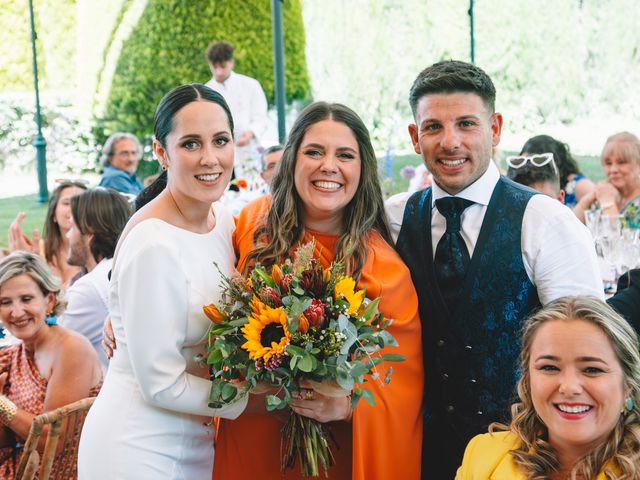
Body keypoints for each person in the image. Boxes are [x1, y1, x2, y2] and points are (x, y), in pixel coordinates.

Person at [386, 60, 603, 478]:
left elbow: (588, 354)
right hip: (416, 455)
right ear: (414, 137)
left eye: (466, 124)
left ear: (495, 129)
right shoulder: (393, 219)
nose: (450, 142)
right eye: (433, 127)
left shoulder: (546, 223)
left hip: (522, 459)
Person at [213, 102, 424, 479]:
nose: (329, 166)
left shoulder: (384, 270)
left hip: (332, 456)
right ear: (293, 159)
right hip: (251, 441)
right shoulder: (250, 227)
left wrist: (347, 406)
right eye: (314, 152)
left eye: (345, 155)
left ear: (362, 169)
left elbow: (403, 386)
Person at [78, 84, 250, 479]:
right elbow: (161, 384)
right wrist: (258, 397)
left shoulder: (222, 219)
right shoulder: (152, 243)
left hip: (196, 435)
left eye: (220, 140)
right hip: (139, 445)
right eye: (191, 144)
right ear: (160, 152)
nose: (210, 158)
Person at [456, 296, 640, 479]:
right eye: (549, 367)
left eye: (592, 369)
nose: (569, 387)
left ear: (628, 387)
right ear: (527, 380)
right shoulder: (482, 455)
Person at [0, 251, 103, 479]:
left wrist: (1, 405)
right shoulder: (13, 355)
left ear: (50, 300)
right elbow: (5, 440)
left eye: (26, 299)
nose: (16, 312)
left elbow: (51, 443)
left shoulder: (71, 349)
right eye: (5, 302)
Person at [58, 187, 131, 371]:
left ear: (89, 232)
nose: (68, 235)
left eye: (72, 226)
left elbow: (47, 345)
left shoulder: (89, 288)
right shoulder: (124, 265)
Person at [205, 41, 268, 179]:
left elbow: (261, 116)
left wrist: (251, 133)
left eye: (222, 66)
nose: (219, 71)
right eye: (214, 67)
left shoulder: (250, 85)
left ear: (231, 62)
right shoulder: (205, 91)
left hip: (246, 151)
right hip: (217, 154)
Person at [8, 180, 88, 288]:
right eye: (67, 203)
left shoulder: (95, 255)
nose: (74, 208)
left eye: (81, 204)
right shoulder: (38, 250)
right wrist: (25, 263)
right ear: (53, 214)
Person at [574, 132, 640, 226]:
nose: (613, 170)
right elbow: (569, 227)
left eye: (621, 162)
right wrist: (586, 202)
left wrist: (608, 203)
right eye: (608, 163)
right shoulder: (606, 191)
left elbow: (622, 239)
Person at [520, 134, 595, 207]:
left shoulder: (579, 185)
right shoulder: (525, 180)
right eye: (523, 160)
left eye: (536, 161)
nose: (528, 166)